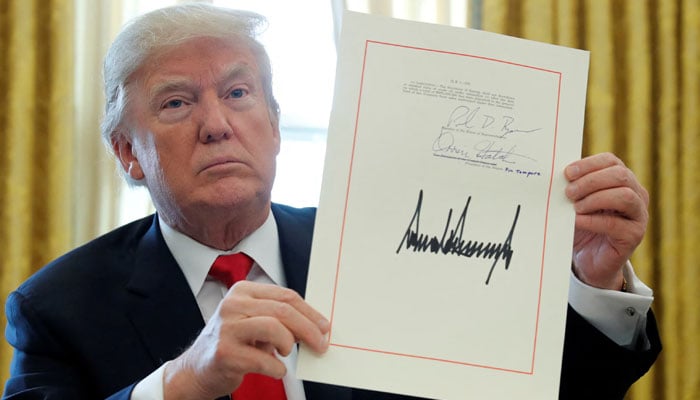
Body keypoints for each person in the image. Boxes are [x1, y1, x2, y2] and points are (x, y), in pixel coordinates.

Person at [3, 3, 660, 400]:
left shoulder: (386, 253)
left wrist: (593, 278)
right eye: (177, 102)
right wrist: (181, 382)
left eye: (238, 94)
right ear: (127, 153)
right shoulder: (58, 308)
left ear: (277, 124)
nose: (216, 123)